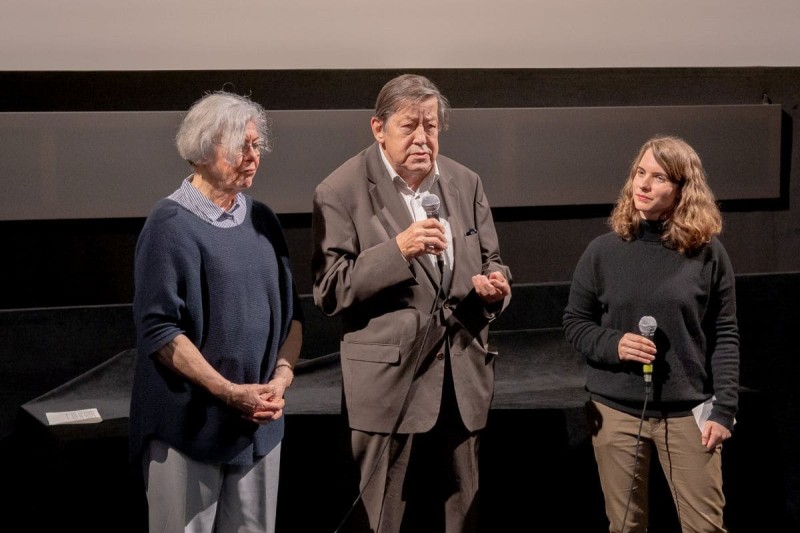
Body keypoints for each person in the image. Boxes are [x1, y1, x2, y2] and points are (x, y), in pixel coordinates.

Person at [311, 73, 512, 532]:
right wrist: (397, 249)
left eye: (432, 126)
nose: (423, 138)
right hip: (387, 386)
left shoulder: (465, 182)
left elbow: (494, 260)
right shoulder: (340, 191)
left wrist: (496, 286)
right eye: (409, 126)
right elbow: (330, 290)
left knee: (462, 515)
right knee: (381, 519)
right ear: (378, 129)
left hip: (462, 380)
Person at [129, 91, 304, 533]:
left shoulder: (263, 219)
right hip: (188, 429)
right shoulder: (169, 225)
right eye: (242, 146)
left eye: (256, 145)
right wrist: (228, 391)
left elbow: (293, 318)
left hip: (258, 427)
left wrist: (280, 381)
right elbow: (160, 331)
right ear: (205, 150)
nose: (253, 156)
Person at [563, 135, 740, 532]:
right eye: (639, 173)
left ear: (682, 190)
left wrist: (724, 409)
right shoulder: (603, 251)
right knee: (626, 527)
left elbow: (725, 333)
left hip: (689, 415)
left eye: (658, 177)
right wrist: (615, 344)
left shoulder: (708, 254)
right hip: (617, 412)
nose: (642, 185)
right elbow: (575, 323)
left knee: (705, 527)